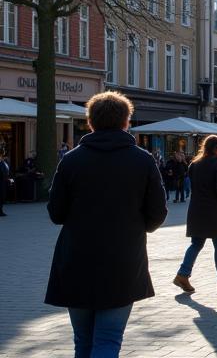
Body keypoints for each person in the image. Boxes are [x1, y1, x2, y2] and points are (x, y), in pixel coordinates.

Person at [45, 90, 167, 357]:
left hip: (76, 257)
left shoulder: (71, 160)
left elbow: (56, 212)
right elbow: (158, 211)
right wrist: (136, 227)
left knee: (83, 341)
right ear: (126, 122)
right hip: (123, 259)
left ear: (90, 122)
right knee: (108, 339)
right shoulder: (142, 160)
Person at [174, 135, 217, 295]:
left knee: (196, 244)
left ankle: (182, 274)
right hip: (215, 211)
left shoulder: (194, 164)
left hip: (197, 209)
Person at [0, 149, 10, 216]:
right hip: (0, 181)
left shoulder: (5, 163)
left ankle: (1, 210)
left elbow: (7, 171)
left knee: (2, 196)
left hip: (3, 181)